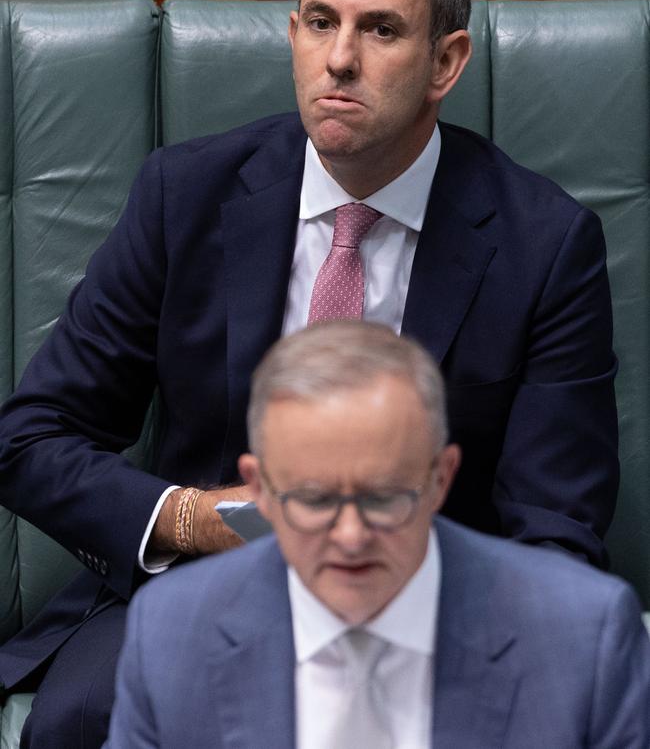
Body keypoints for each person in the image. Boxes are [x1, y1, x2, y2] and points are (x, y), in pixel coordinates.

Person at [0, 0, 618, 748]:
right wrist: (194, 519)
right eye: (321, 21)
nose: (339, 58)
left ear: (447, 61)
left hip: (430, 598)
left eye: (381, 30)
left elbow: (556, 527)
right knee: (81, 720)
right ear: (292, 32)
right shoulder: (185, 196)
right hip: (203, 580)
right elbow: (32, 436)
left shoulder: (545, 245)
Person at [105, 321, 649, 749]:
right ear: (260, 488)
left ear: (441, 479)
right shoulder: (172, 634)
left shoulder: (585, 638)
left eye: (384, 497)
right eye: (315, 500)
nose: (350, 535)